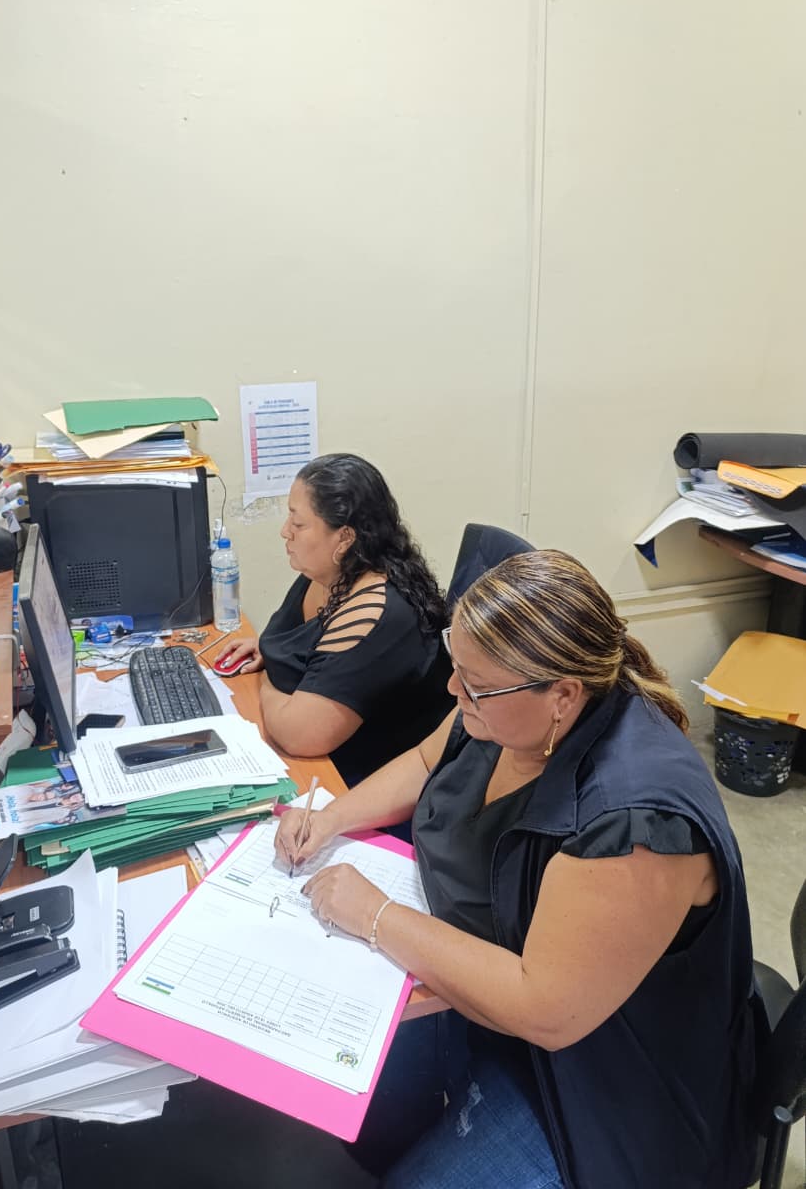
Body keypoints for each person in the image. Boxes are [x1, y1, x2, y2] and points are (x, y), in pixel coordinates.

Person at [275, 549, 763, 1189]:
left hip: (598, 1081)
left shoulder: (635, 823)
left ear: (562, 695)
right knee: (339, 1106)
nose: (454, 691)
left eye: (473, 683)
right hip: (485, 1006)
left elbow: (545, 1010)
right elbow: (426, 762)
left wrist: (377, 916)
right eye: (456, 667)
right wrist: (330, 819)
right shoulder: (501, 702)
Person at [218, 453, 452, 787]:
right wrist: (270, 650)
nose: (285, 532)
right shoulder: (329, 573)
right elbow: (303, 642)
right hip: (322, 752)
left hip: (363, 778)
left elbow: (299, 735)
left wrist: (269, 673)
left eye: (298, 524)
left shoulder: (374, 612)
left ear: (344, 538)